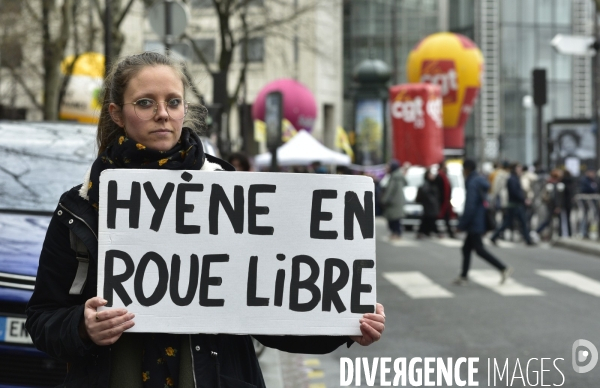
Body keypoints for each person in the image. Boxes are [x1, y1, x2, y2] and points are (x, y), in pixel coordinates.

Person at [25, 52, 385, 387]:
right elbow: (42, 319)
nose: (163, 113)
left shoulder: (230, 194)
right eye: (145, 103)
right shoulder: (82, 206)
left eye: (173, 102)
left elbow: (270, 311)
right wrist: (83, 327)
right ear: (117, 113)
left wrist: (342, 324)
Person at [455, 159, 513, 286]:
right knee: (466, 249)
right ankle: (463, 276)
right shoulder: (479, 180)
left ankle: (503, 268)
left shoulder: (473, 183)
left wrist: (461, 225)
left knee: (479, 249)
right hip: (478, 220)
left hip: (474, 222)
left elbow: (470, 206)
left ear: (466, 169)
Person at [490, 163, 535, 246]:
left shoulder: (514, 178)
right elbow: (515, 192)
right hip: (515, 204)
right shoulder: (512, 179)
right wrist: (523, 200)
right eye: (519, 168)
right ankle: (528, 240)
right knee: (520, 222)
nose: (520, 170)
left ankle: (494, 236)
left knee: (511, 222)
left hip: (515, 204)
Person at [535, 169, 565, 240]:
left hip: (547, 205)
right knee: (549, 221)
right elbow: (555, 197)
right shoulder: (555, 185)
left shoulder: (548, 183)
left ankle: (544, 234)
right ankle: (557, 235)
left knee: (549, 221)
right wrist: (557, 206)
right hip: (551, 206)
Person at [381, 159, 406, 240]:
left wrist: (384, 200)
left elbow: (390, 190)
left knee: (394, 219)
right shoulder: (397, 176)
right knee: (395, 219)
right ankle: (395, 233)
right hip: (396, 202)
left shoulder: (394, 177)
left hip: (393, 202)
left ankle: (396, 233)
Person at [416, 168, 440, 238]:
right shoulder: (427, 184)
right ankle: (432, 231)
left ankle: (426, 232)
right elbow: (426, 193)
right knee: (429, 219)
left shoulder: (432, 183)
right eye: (430, 174)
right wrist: (432, 200)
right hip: (429, 205)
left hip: (430, 205)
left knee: (427, 219)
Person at [434, 161, 456, 238]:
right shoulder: (439, 176)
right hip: (441, 201)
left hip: (445, 201)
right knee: (435, 217)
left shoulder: (444, 176)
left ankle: (450, 232)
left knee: (446, 218)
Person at [579, 169, 599, 238]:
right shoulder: (585, 180)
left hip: (593, 201)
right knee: (585, 217)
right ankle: (583, 232)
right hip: (586, 201)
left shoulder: (593, 180)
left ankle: (588, 232)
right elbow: (587, 189)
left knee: (592, 217)